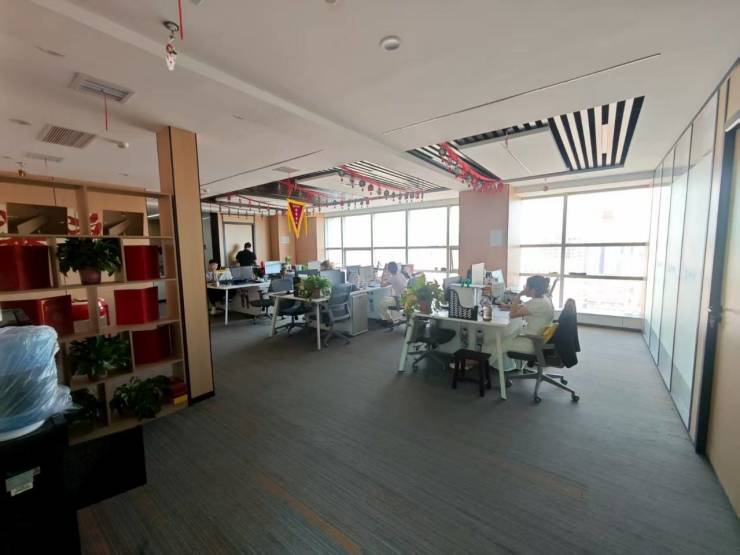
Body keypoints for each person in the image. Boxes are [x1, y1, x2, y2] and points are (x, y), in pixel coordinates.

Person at [488, 274, 554, 369]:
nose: (524, 288)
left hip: (531, 343)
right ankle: (494, 365)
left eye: (526, 286)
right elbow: (525, 308)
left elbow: (512, 315)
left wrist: (518, 296)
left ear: (533, 290)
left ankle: (480, 365)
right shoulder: (544, 299)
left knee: (496, 344)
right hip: (537, 340)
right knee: (504, 337)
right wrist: (508, 306)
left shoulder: (537, 303)